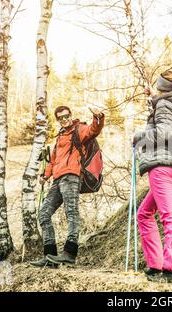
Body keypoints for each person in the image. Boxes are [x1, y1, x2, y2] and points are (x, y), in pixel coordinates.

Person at [30, 105, 104, 267]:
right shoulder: (60, 136)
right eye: (60, 118)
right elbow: (53, 160)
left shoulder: (80, 129)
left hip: (72, 176)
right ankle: (50, 257)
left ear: (71, 115)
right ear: (58, 120)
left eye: (66, 116)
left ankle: (70, 253)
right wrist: (45, 176)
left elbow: (94, 130)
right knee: (43, 214)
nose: (64, 120)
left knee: (71, 212)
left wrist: (98, 118)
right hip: (57, 180)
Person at [132, 70, 172, 283]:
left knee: (168, 215)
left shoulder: (164, 105)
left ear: (161, 86)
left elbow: (163, 132)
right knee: (144, 214)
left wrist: (139, 136)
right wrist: (151, 98)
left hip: (162, 166)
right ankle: (155, 265)